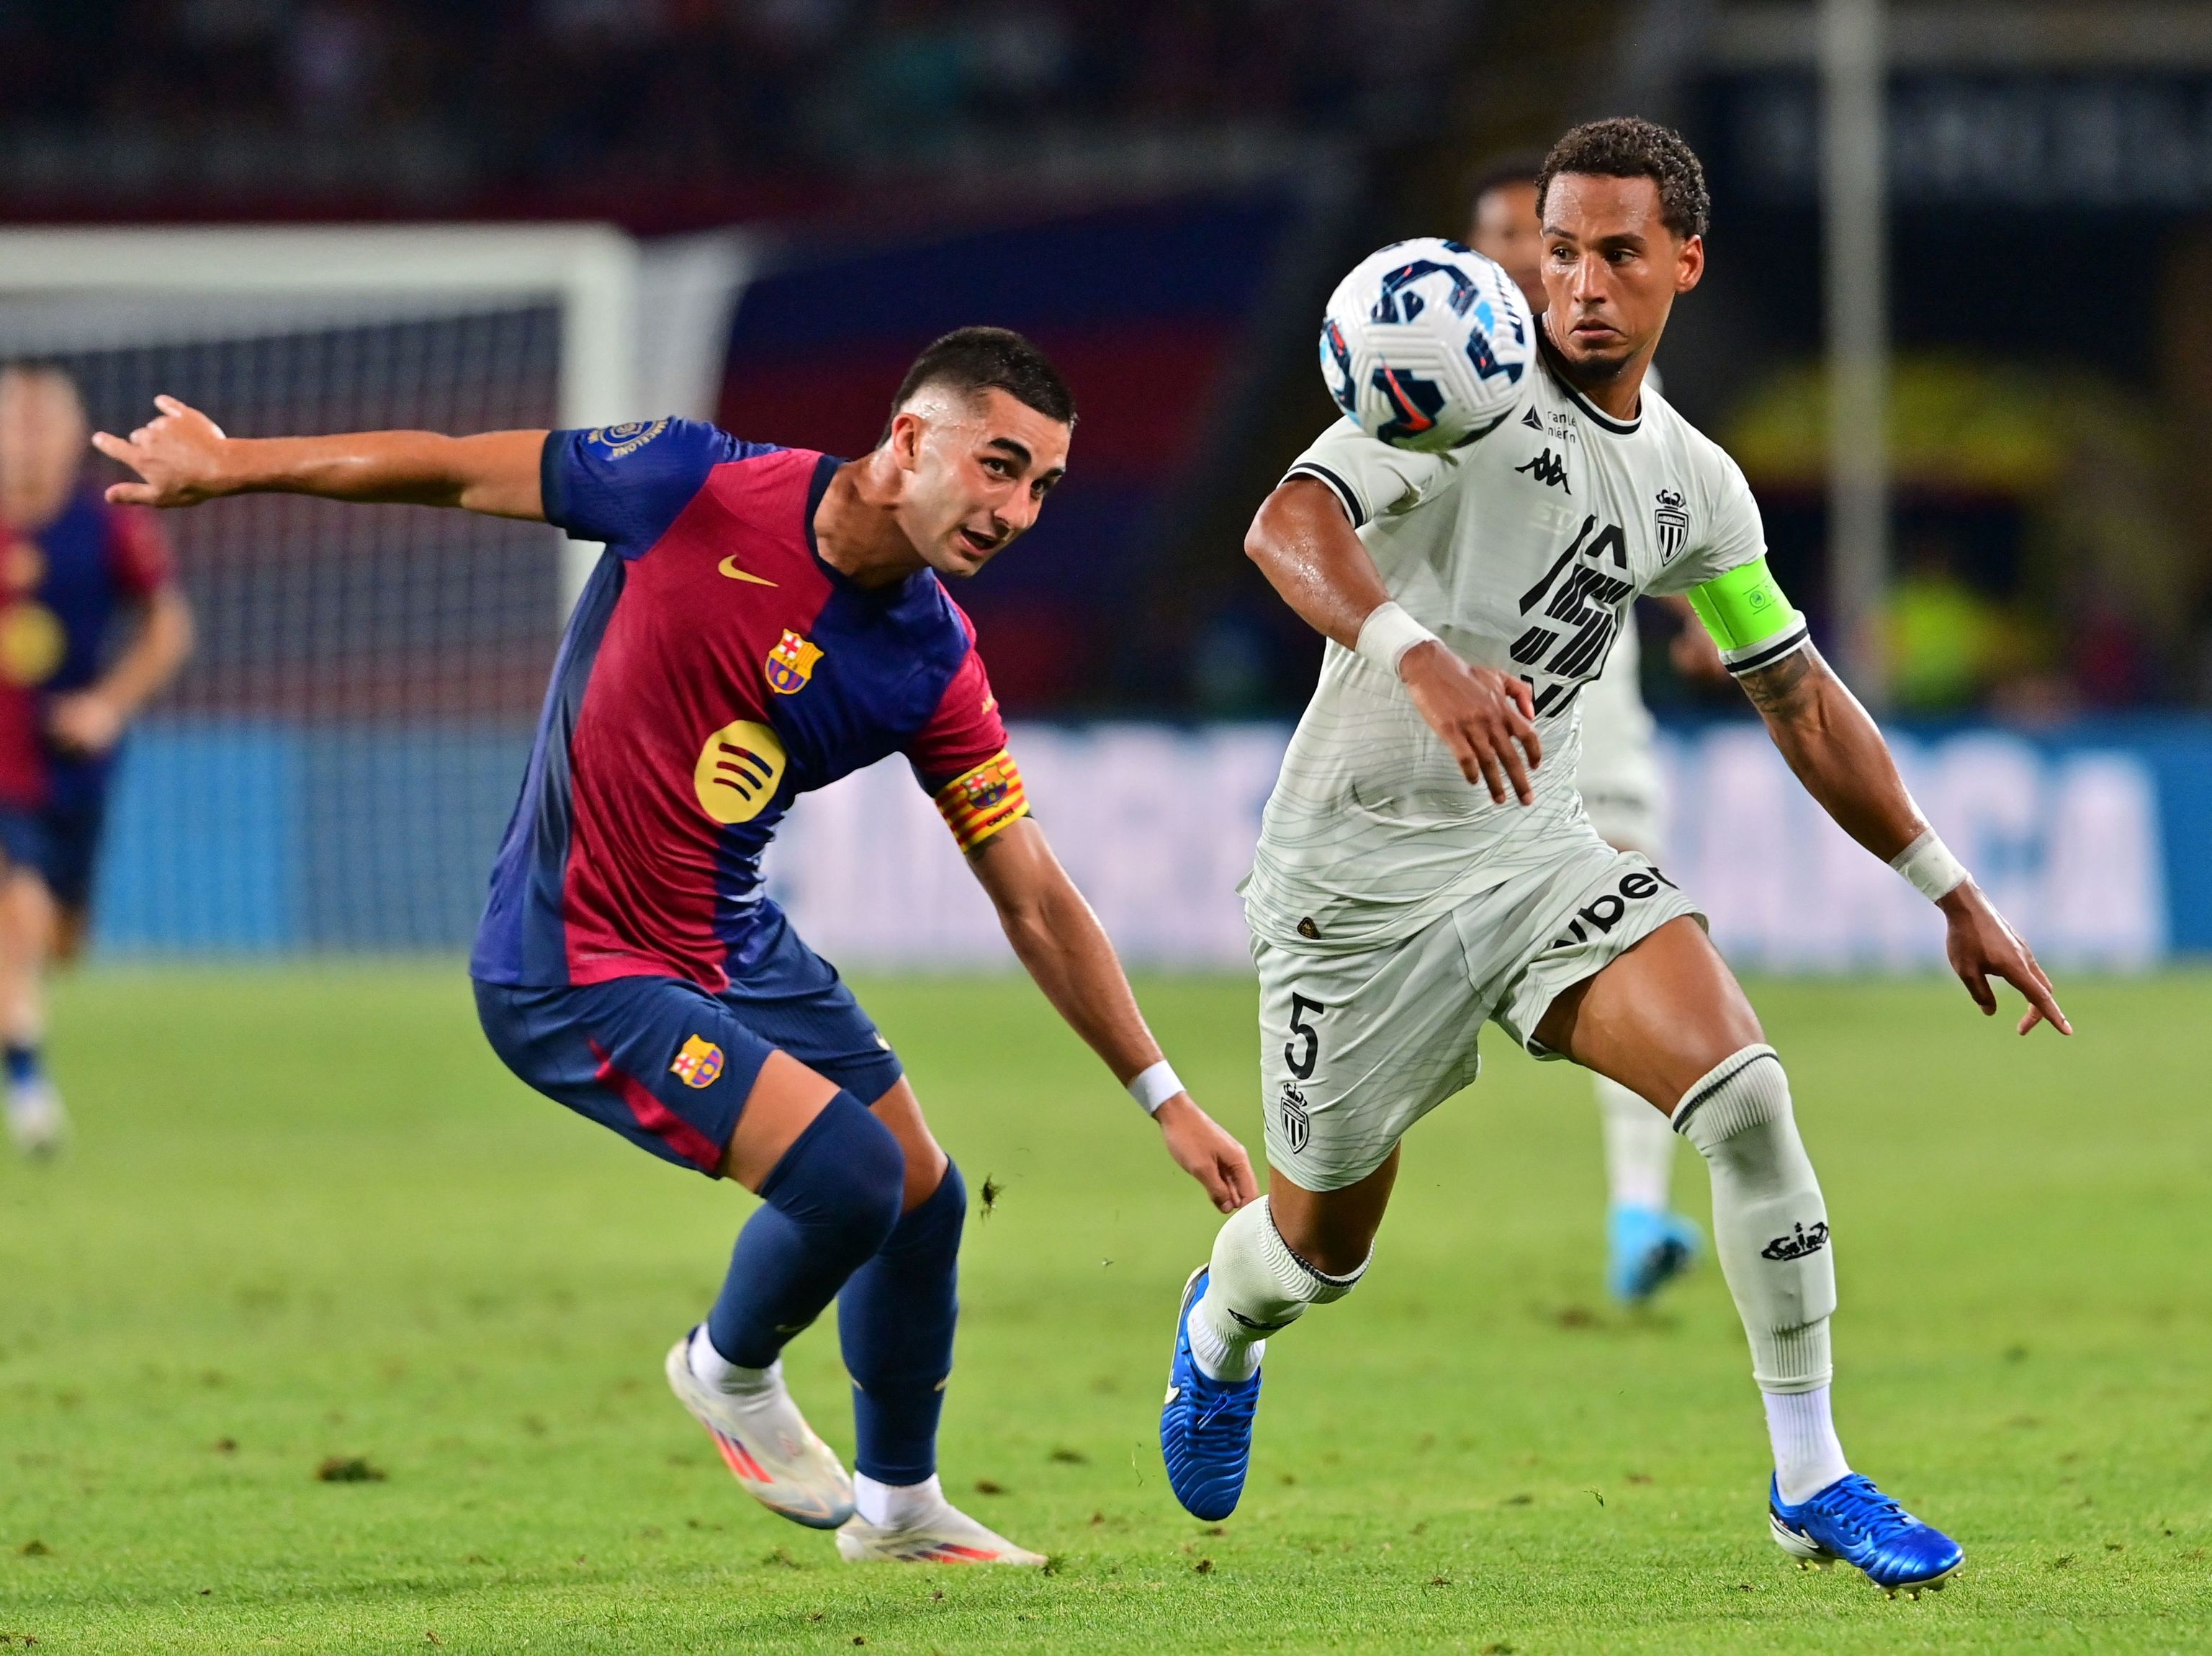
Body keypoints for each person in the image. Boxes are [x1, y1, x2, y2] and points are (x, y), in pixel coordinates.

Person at [96, 326, 1257, 1567]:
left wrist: (1164, 1096)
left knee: (921, 1201)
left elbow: (1030, 894)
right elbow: (445, 466)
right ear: (911, 439)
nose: (1018, 510)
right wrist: (232, 464)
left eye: (1043, 488)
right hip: (576, 959)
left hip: (732, 940)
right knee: (853, 1179)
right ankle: (728, 1370)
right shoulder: (688, 483)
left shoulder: (931, 661)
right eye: (999, 466)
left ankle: (899, 1511)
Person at [1159, 120, 2068, 1594]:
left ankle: (1811, 1474)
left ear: (1685, 265)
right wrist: (1416, 656)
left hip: (1535, 858)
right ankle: (1220, 1328)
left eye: (1615, 253)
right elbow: (1288, 523)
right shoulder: (1458, 391)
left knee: (1750, 1095)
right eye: (1561, 250)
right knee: (1319, 1245)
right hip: (1353, 885)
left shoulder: (1699, 489)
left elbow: (1798, 695)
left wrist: (1951, 891)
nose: (1577, 282)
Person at [1466, 154, 1722, 1303]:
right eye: (1512, 240)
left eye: (1549, 237)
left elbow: (1656, 502)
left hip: (1587, 734)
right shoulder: (1435, 393)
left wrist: (1707, 610)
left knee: (1636, 947)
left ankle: (1637, 1214)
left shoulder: (1621, 386)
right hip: (1435, 748)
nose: (1530, 259)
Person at [0, 364, 194, 1156]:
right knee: (19, 914)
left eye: (46, 422)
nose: (30, 436)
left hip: (74, 764)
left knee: (63, 939)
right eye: (17, 420)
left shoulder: (109, 527)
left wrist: (109, 705)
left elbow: (168, 628)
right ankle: (28, 1086)